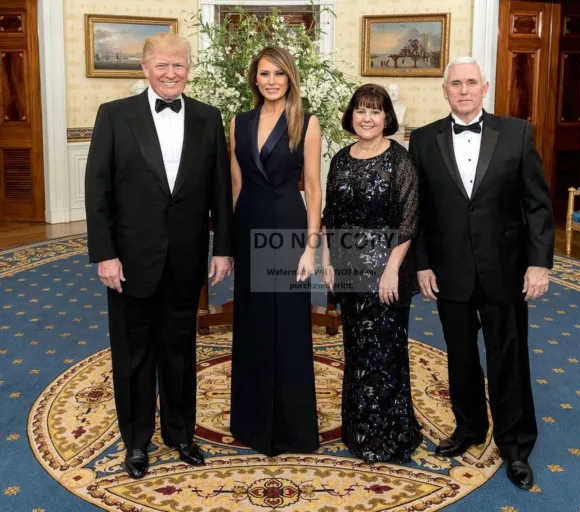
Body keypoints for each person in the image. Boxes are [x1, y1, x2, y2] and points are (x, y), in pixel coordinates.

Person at [84, 33, 233, 479]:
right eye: (162, 66)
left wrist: (222, 248)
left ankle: (181, 434)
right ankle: (136, 441)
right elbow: (98, 191)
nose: (171, 74)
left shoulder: (209, 117)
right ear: (145, 68)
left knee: (180, 350)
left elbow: (220, 191)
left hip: (187, 259)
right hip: (129, 261)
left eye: (179, 66)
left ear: (190, 69)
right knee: (132, 354)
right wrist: (105, 255)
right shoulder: (114, 116)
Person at [409, 56, 554, 489]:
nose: (464, 90)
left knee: (508, 358)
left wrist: (538, 263)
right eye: (456, 84)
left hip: (504, 270)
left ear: (485, 87)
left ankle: (515, 445)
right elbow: (417, 211)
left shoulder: (517, 133)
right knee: (461, 357)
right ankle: (468, 428)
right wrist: (423, 263)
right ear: (445, 91)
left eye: (472, 82)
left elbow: (539, 205)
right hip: (448, 270)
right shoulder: (422, 139)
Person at [321, 84, 422, 463]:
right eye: (361, 110)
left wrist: (392, 271)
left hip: (384, 271)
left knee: (385, 351)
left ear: (386, 118)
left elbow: (409, 220)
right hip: (347, 269)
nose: (367, 118)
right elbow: (330, 216)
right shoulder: (340, 159)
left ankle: (391, 434)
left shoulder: (400, 161)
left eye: (376, 111)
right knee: (357, 350)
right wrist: (328, 260)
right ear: (352, 116)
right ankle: (358, 429)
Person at [229, 46, 322, 456]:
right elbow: (236, 185)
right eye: (264, 73)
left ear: (290, 78)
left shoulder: (306, 121)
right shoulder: (239, 122)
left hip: (287, 228)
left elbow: (314, 188)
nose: (271, 81)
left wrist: (310, 246)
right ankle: (251, 423)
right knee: (251, 325)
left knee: (287, 328)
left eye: (278, 74)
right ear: (255, 78)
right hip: (249, 224)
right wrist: (231, 245)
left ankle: (291, 429)